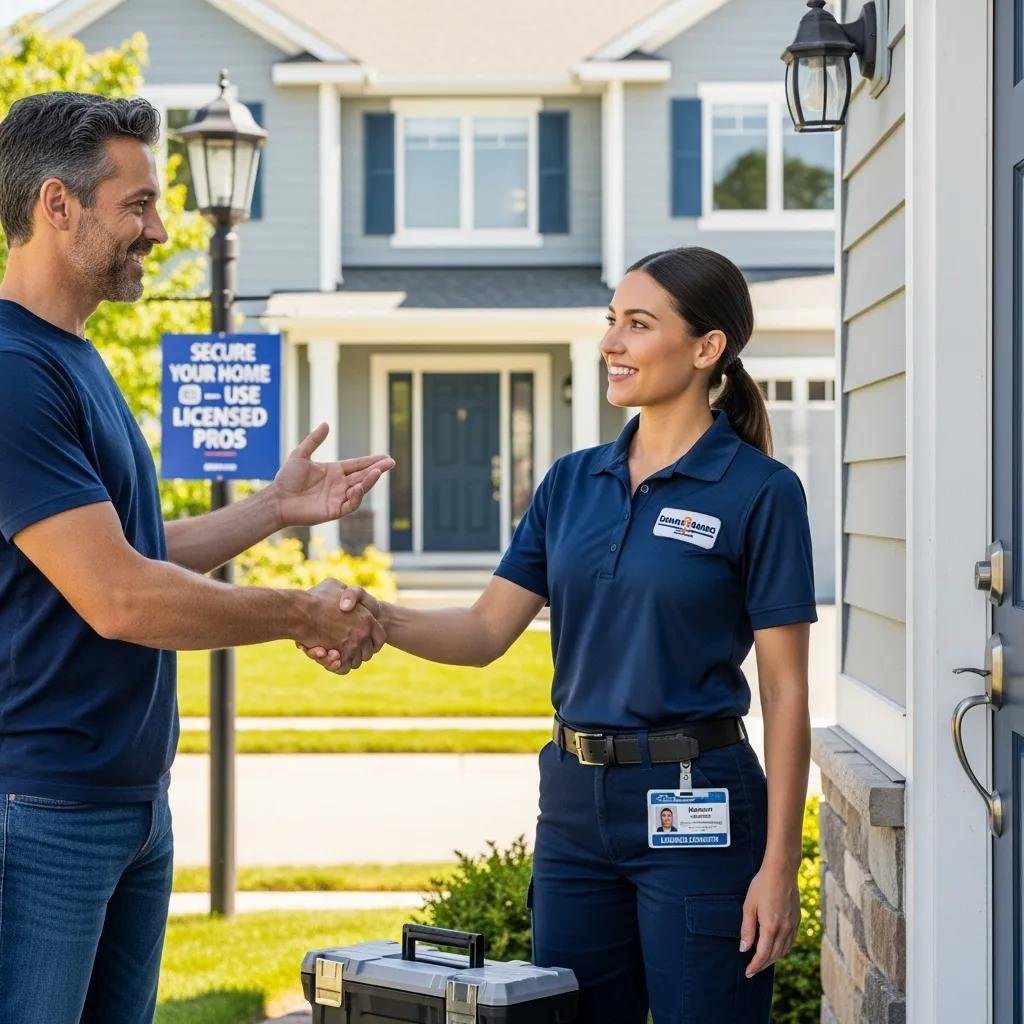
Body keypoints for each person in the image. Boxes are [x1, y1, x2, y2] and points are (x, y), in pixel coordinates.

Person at [305, 246, 816, 1024]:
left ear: (706, 348)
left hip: (699, 804)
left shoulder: (761, 492)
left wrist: (780, 867)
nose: (611, 342)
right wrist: (375, 617)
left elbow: (786, 689)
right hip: (576, 808)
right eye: (612, 320)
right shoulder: (574, 482)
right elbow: (485, 629)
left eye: (638, 324)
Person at [0, 91, 392, 1024]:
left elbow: (119, 555)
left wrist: (272, 510)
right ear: (57, 205)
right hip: (42, 810)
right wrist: (299, 613)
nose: (159, 230)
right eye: (137, 205)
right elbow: (121, 598)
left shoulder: (72, 357)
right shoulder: (13, 373)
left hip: (126, 803)